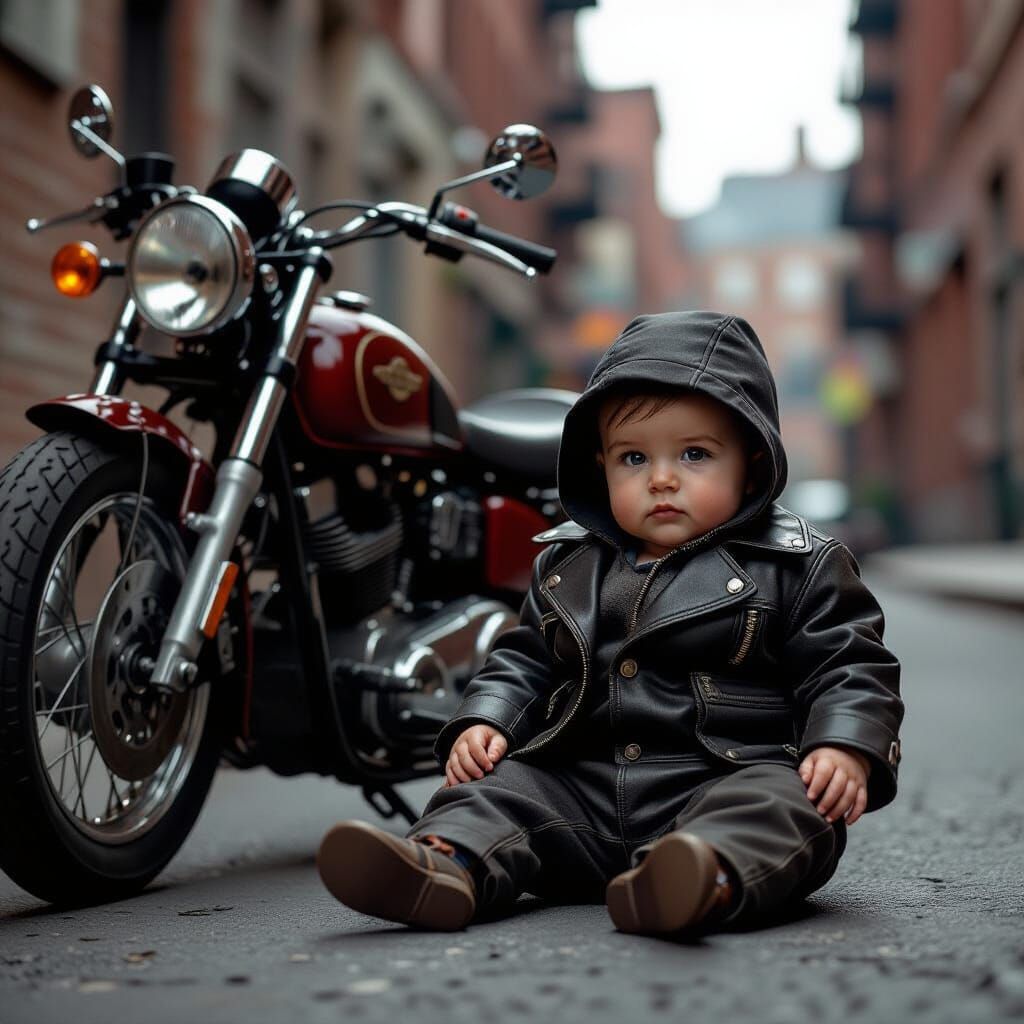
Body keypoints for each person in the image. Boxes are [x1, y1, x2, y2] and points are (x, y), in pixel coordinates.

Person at [316, 311, 904, 935]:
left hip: (723, 776)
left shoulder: (798, 563)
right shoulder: (569, 563)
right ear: (600, 465)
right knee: (501, 788)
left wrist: (844, 743)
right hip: (584, 793)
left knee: (787, 804)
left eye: (695, 454)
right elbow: (524, 658)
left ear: (751, 464)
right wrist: (486, 718)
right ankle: (443, 866)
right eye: (632, 458)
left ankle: (700, 878)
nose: (662, 479)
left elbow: (849, 663)